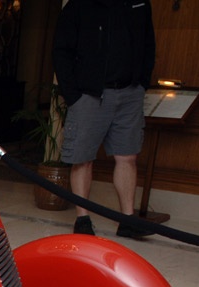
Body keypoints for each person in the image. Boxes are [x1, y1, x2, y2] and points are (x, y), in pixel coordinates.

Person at [53, 0, 156, 238]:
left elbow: (148, 44)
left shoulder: (139, 3)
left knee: (128, 157)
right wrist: (73, 96)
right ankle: (82, 219)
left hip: (130, 92)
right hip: (88, 95)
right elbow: (61, 51)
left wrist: (142, 82)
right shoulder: (78, 7)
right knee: (83, 159)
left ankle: (127, 220)